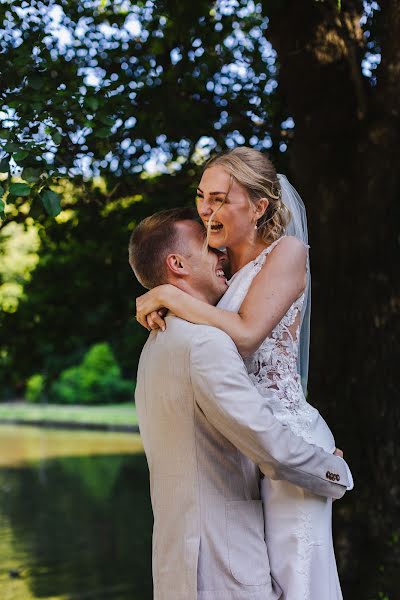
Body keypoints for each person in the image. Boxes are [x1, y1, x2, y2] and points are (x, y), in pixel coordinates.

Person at [135, 147, 351, 599]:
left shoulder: (287, 252)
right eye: (201, 197)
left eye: (220, 199)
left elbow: (248, 334)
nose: (207, 210)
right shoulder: (221, 267)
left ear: (259, 206)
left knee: (299, 578)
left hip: (286, 433)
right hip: (249, 446)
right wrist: (165, 299)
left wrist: (170, 298)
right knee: (265, 577)